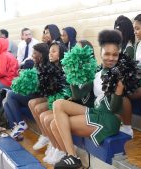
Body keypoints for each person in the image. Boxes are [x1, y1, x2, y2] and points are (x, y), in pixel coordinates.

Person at [52, 30, 124, 168]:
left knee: (56, 124)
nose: (111, 58)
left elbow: (116, 109)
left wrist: (119, 92)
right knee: (58, 104)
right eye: (107, 53)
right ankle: (72, 157)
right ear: (101, 53)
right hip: (96, 112)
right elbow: (77, 95)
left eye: (115, 54)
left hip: (108, 119)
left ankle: (73, 158)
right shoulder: (97, 72)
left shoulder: (120, 73)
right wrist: (71, 74)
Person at [5, 43, 49, 134]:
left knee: (10, 94)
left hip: (39, 96)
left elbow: (38, 86)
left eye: (35, 53)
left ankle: (20, 123)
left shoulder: (47, 66)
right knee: (6, 102)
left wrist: (27, 77)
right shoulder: (36, 64)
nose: (32, 55)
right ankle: (15, 128)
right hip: (32, 94)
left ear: (41, 54)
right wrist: (24, 75)